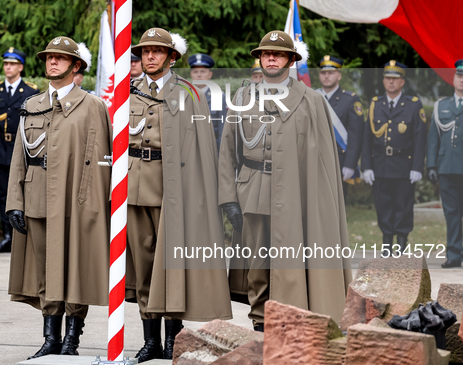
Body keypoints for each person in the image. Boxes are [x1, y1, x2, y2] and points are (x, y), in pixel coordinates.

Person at [219, 31, 352, 331]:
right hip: (252, 191)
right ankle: (260, 326)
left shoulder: (312, 100)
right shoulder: (241, 98)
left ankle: (289, 324)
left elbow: (321, 161)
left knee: (290, 263)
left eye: (278, 54)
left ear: (291, 60)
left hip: (295, 195)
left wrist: (313, 202)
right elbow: (227, 151)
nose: (271, 58)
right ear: (259, 59)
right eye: (266, 54)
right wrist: (228, 198)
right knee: (257, 266)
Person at [127, 28, 231, 362]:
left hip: (174, 191)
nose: (150, 57)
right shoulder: (126, 93)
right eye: (145, 52)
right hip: (135, 188)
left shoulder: (189, 94)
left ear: (172, 57)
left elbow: (203, 149)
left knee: (172, 267)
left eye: (158, 51)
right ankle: (150, 341)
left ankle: (173, 339)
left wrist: (202, 197)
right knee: (142, 267)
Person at [6, 36, 112, 359]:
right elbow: (19, 157)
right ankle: (51, 337)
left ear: (75, 65)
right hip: (37, 196)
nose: (53, 62)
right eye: (49, 57)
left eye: (60, 58)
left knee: (75, 268)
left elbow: (101, 159)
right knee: (44, 270)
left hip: (76, 201)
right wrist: (15, 200)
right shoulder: (32, 104)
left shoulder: (93, 106)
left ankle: (72, 338)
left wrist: (96, 203)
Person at [361, 61, 426, 255]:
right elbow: (367, 139)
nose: (391, 82)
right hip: (380, 165)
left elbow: (420, 139)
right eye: (388, 78)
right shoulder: (375, 104)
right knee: (383, 205)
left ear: (402, 82)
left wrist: (417, 167)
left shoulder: (413, 105)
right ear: (383, 81)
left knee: (403, 205)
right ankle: (387, 245)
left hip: (404, 166)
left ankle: (402, 245)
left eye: (395, 78)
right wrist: (367, 166)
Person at [0, 47, 39, 253]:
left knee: (24, 193)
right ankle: (6, 235)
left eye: (13, 64)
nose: (8, 67)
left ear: (21, 67)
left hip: (22, 150)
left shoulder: (31, 91)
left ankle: (22, 236)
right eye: (6, 63)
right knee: (3, 196)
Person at [426, 59, 463, 268]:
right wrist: (431, 166)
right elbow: (434, 139)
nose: (462, 80)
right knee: (451, 214)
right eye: (459, 76)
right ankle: (454, 254)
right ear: (453, 78)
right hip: (447, 168)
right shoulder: (442, 106)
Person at [316, 55, 364, 200]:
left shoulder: (350, 100)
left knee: (336, 204)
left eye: (331, 72)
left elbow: (356, 136)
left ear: (339, 76)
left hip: (339, 160)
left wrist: (350, 165)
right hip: (315, 159)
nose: (326, 76)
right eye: (323, 72)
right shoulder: (312, 97)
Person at [188, 53, 226, 150]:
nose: (199, 75)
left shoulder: (219, 96)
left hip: (210, 149)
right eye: (195, 71)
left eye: (203, 71)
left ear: (210, 74)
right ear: (191, 74)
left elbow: (222, 131)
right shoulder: (184, 95)